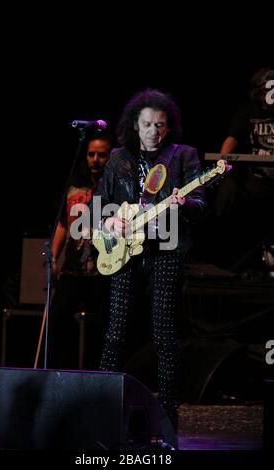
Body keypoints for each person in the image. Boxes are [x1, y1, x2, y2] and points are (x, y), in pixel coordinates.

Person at [91, 89, 206, 448]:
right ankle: (100, 417)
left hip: (166, 252)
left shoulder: (183, 156)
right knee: (115, 332)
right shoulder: (118, 159)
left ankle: (168, 424)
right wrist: (110, 223)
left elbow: (201, 203)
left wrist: (185, 201)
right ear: (134, 126)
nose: (153, 131)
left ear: (168, 128)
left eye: (160, 125)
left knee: (164, 336)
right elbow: (98, 206)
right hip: (125, 252)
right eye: (147, 125)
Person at [47, 130, 113, 369]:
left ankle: (98, 374)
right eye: (91, 154)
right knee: (57, 319)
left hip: (103, 271)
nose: (95, 159)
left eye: (101, 155)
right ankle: (56, 372)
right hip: (73, 269)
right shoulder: (74, 185)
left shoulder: (116, 186)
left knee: (102, 326)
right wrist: (53, 257)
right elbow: (63, 224)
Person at [213, 67, 274, 269]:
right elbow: (232, 138)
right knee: (228, 190)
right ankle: (223, 253)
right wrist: (222, 160)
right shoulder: (248, 111)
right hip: (255, 180)